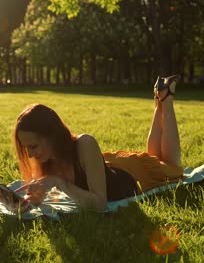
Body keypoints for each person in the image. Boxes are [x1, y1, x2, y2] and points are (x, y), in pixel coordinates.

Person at [13, 75, 183, 211]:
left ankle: (166, 100)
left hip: (133, 175)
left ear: (52, 136)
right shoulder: (47, 158)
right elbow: (47, 194)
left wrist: (58, 182)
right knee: (153, 157)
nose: (29, 155)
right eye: (26, 148)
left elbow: (100, 203)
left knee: (170, 167)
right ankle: (159, 96)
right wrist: (23, 201)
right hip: (109, 166)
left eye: (33, 146)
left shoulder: (85, 143)